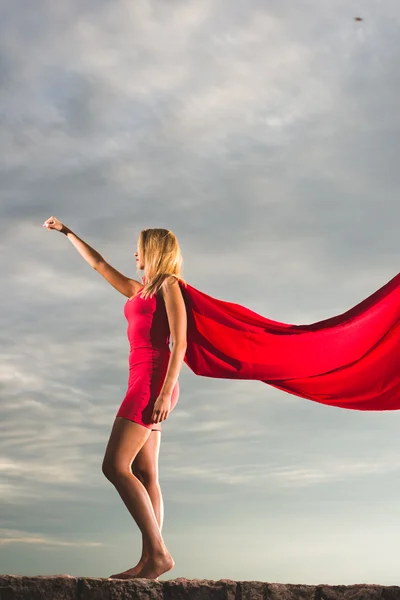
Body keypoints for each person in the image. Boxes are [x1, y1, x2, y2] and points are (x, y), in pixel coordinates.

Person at [42, 216, 188, 581]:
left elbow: (180, 343)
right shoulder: (139, 291)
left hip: (154, 380)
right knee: (145, 472)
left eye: (139, 247)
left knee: (115, 466)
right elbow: (98, 264)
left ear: (153, 251)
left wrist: (166, 391)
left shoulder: (169, 286)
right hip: (142, 378)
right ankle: (149, 560)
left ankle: (158, 554)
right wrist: (67, 232)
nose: (134, 253)